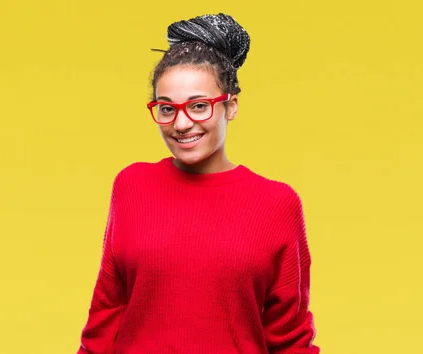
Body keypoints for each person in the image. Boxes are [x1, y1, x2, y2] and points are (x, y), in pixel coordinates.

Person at [77, 13, 319, 354]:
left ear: (230, 106)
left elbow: (290, 336)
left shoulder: (277, 203)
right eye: (166, 108)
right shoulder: (132, 186)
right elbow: (106, 313)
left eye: (199, 106)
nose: (181, 123)